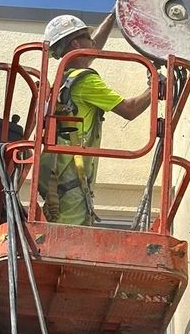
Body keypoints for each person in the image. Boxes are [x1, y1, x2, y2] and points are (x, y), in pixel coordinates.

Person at [37, 12, 152, 225]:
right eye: (87, 38)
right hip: (71, 187)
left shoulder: (65, 79)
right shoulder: (84, 81)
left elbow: (92, 48)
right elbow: (129, 110)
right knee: (70, 248)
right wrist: (156, 86)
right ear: (75, 43)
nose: (93, 44)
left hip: (63, 184)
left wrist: (114, 15)